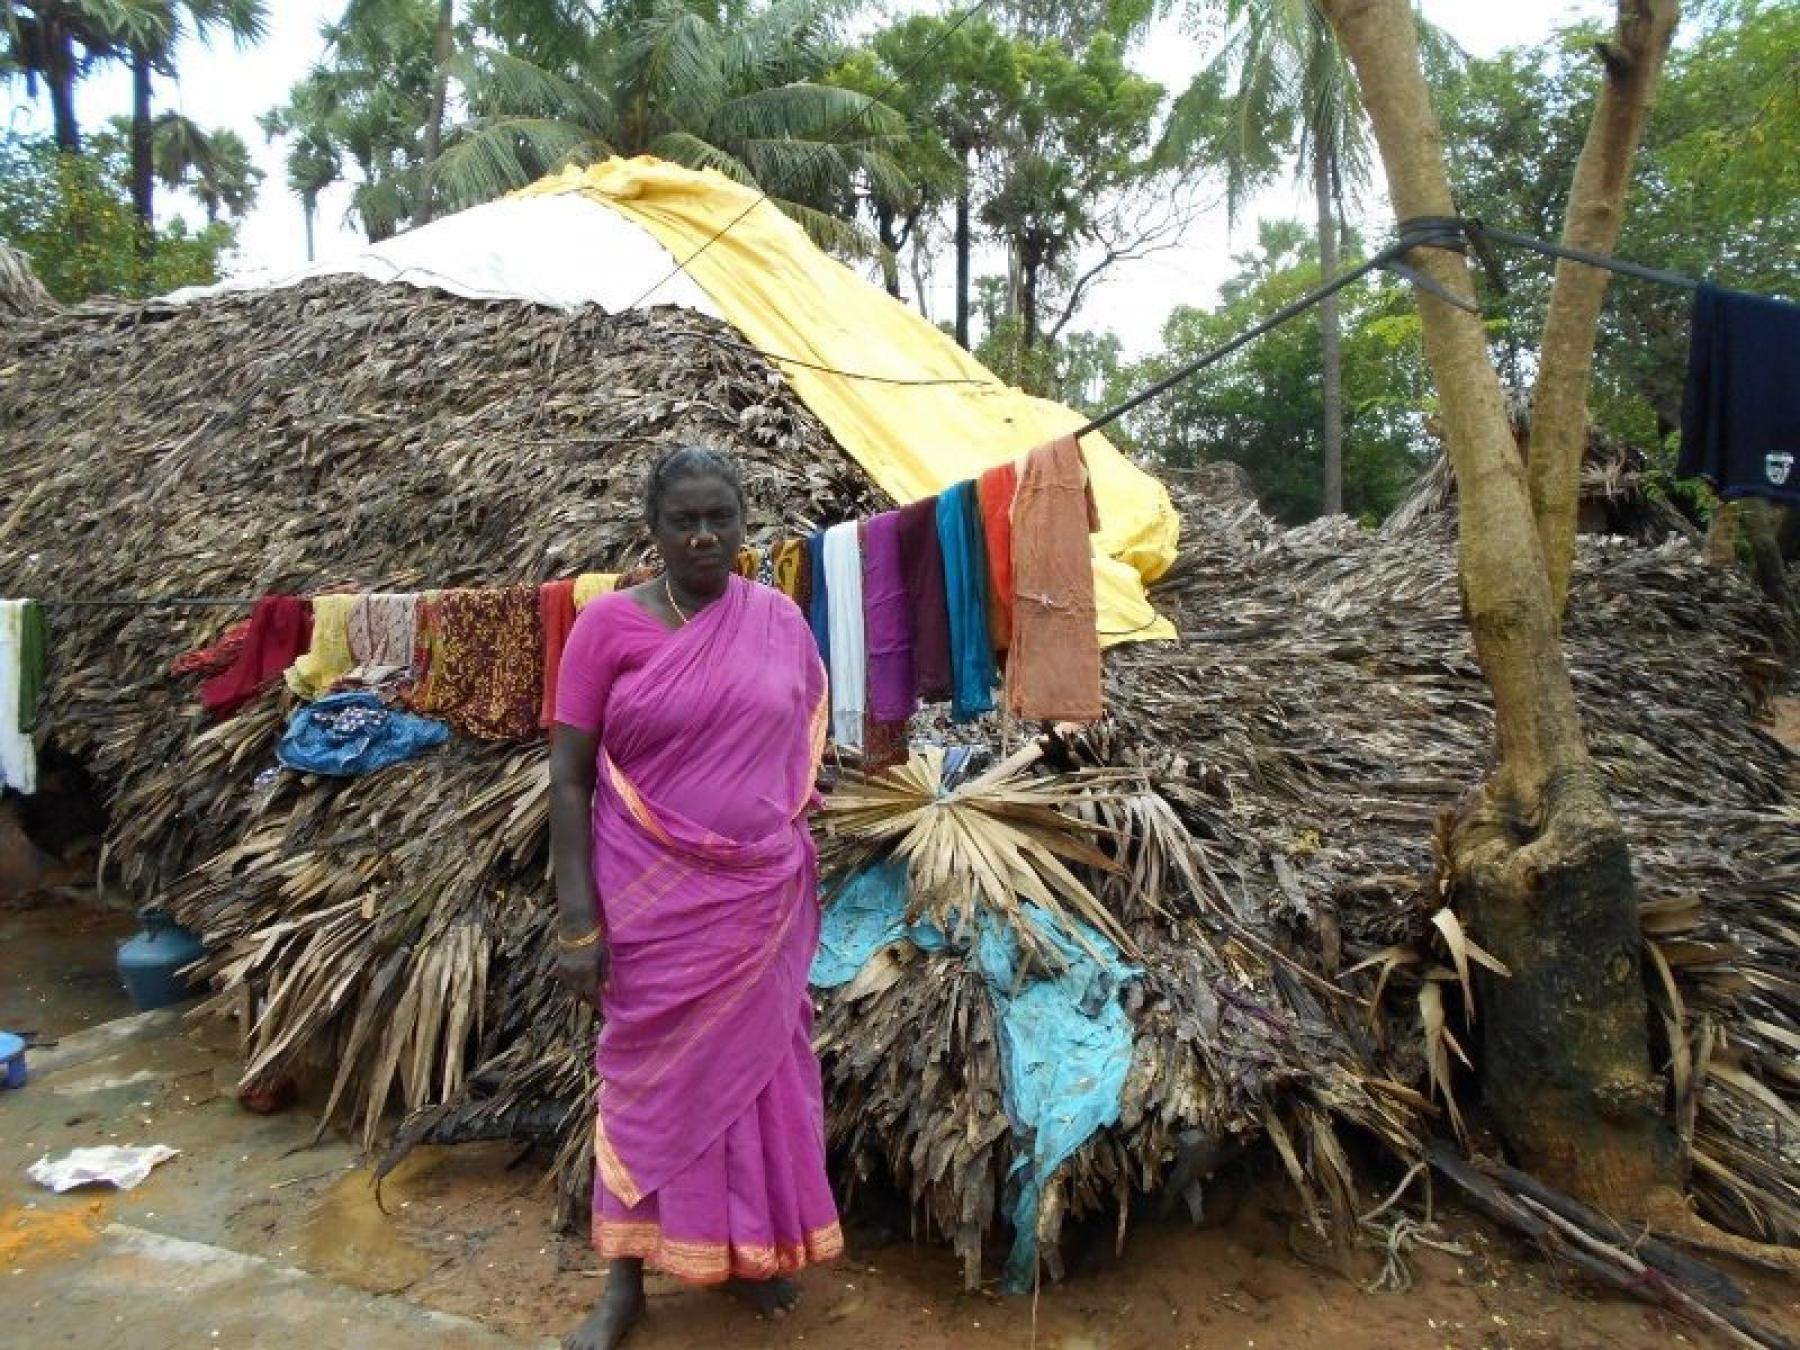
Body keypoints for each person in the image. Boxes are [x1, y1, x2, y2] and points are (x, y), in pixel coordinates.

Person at [550, 446, 842, 1350]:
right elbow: (567, 779)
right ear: (656, 528)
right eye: (685, 520)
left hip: (759, 899)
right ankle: (623, 1281)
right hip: (648, 903)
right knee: (643, 1084)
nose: (705, 535)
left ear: (744, 522)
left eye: (722, 517)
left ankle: (750, 1254)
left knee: (758, 1080)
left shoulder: (781, 622)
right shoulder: (607, 628)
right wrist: (575, 921)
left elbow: (801, 748)